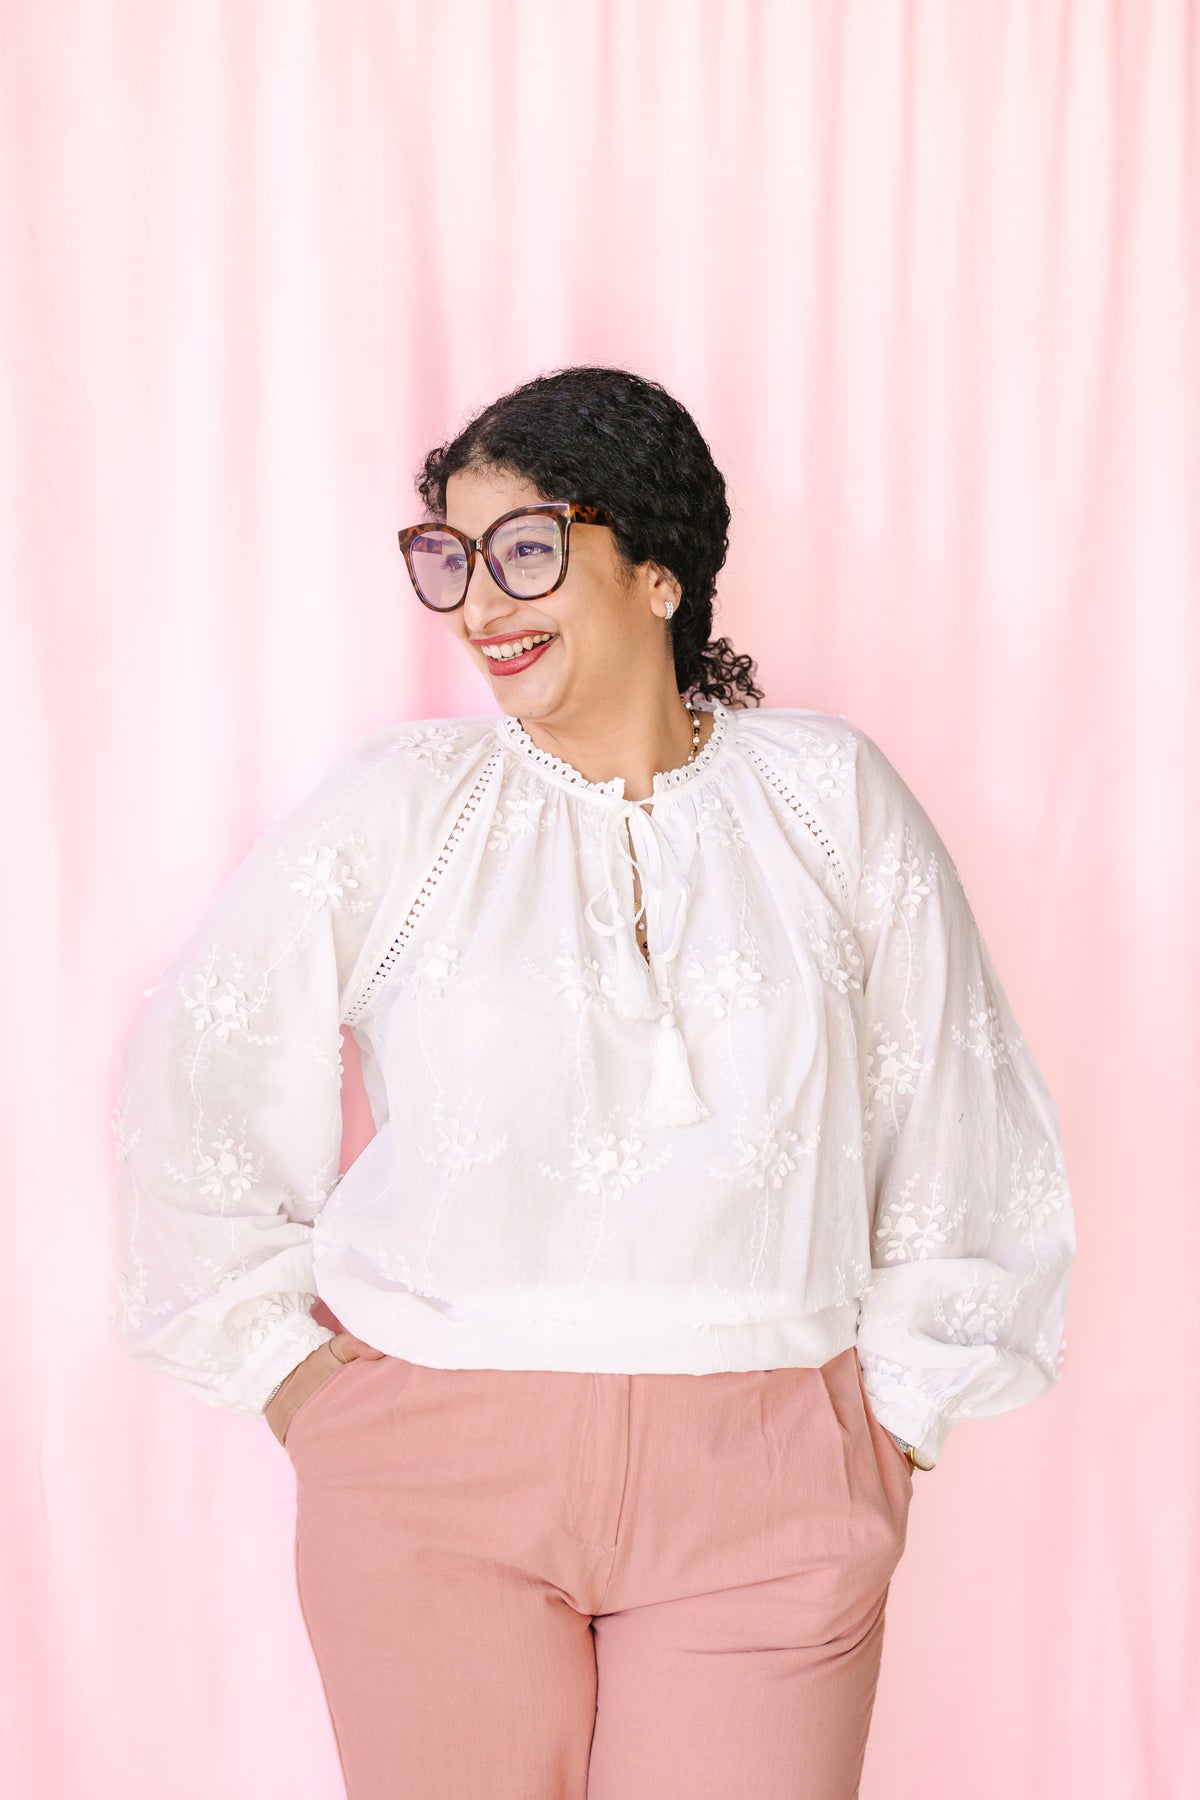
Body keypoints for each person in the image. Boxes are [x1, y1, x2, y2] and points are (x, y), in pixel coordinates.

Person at [111, 364, 1075, 1799]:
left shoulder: (829, 799)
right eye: (452, 559)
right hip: (431, 1477)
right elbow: (199, 1077)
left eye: (526, 550)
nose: (481, 605)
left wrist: (893, 1426)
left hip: (775, 1483)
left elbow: (952, 1097)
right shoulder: (405, 809)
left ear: (660, 569)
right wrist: (305, 1389)